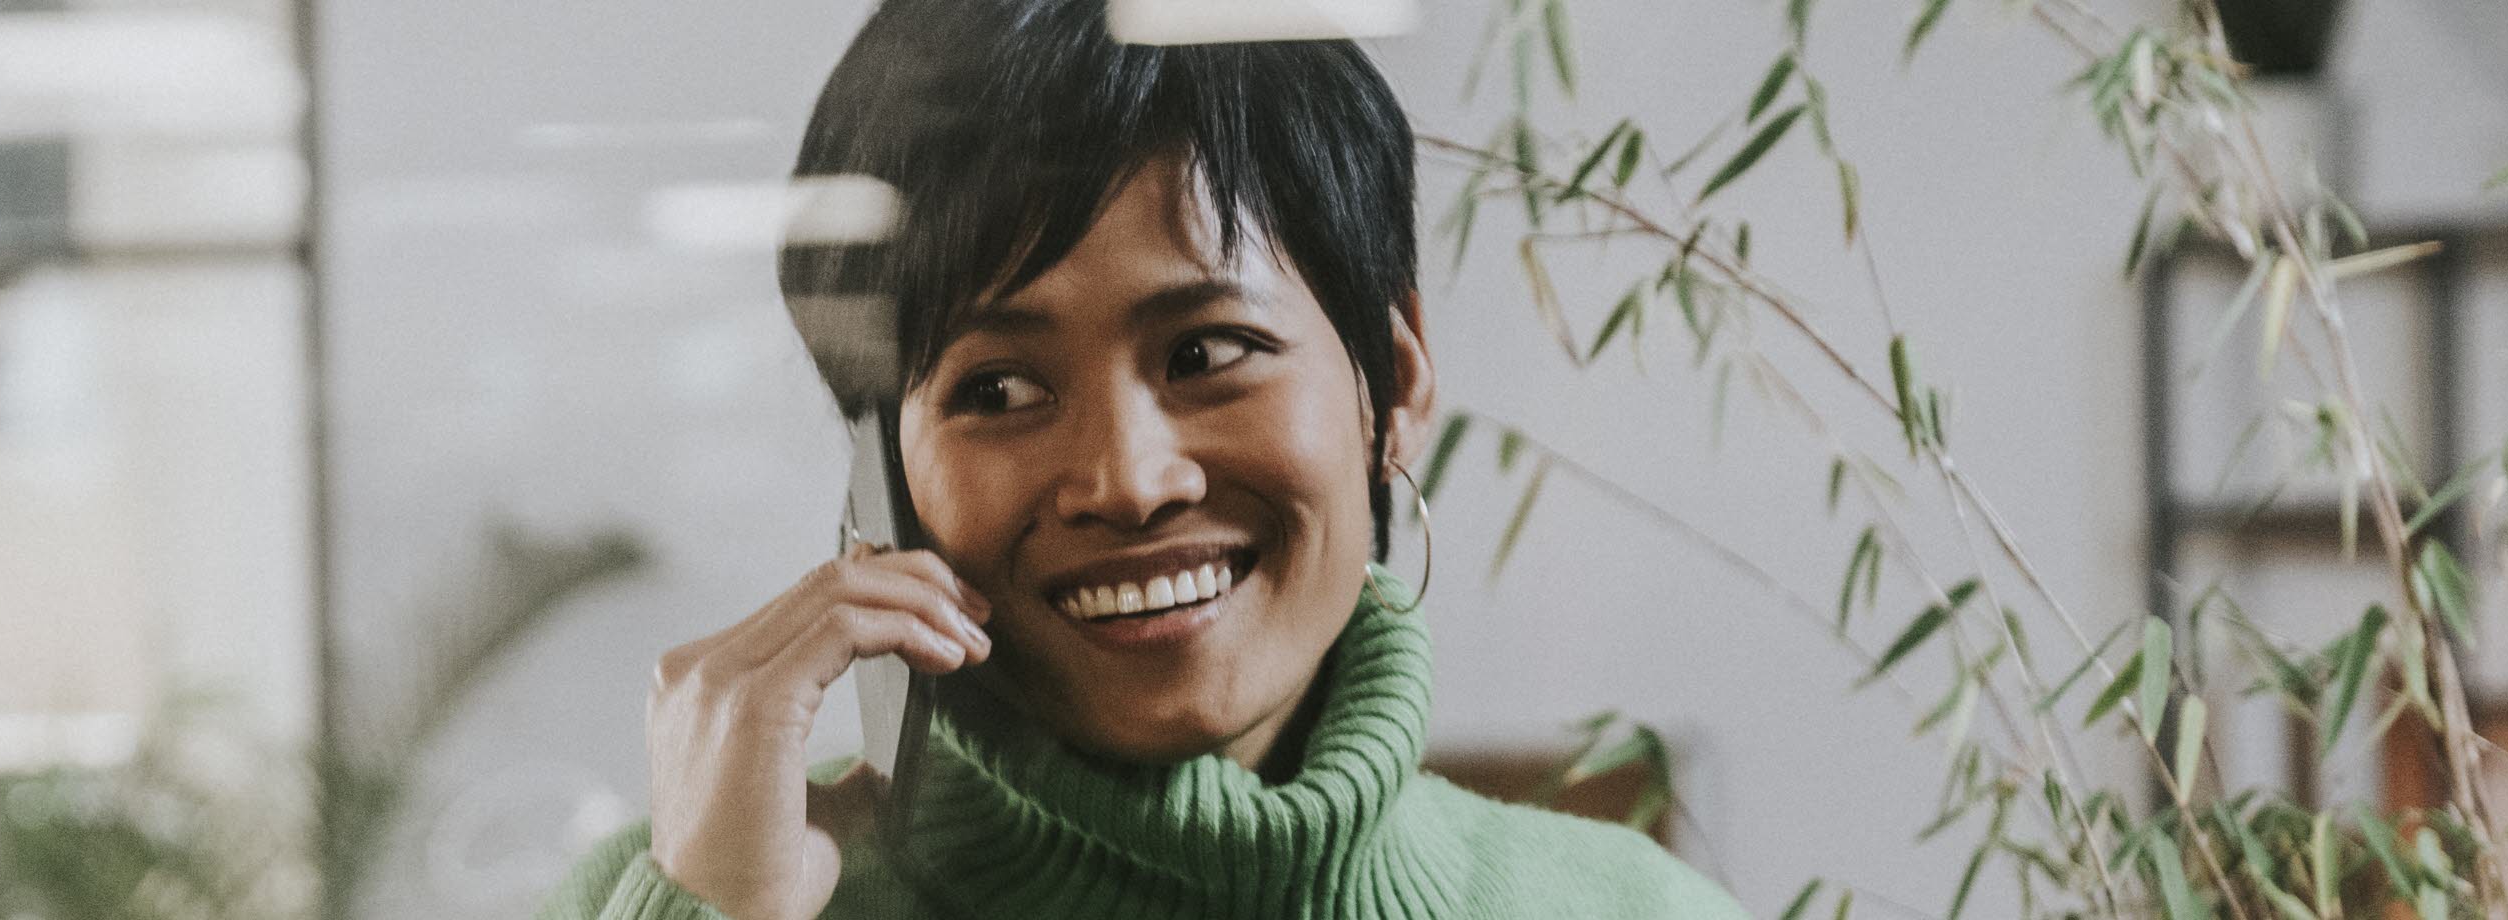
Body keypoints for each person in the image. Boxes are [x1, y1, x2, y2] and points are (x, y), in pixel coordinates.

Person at [540, 0, 1745, 917]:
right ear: (882, 465)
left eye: (1210, 350)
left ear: (1398, 380)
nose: (1128, 478)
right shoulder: (676, 890)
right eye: (999, 388)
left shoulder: (1628, 907)